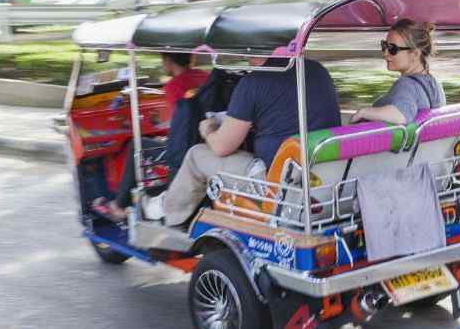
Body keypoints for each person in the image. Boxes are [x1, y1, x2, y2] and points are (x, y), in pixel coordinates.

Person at [112, 57, 341, 225]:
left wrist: (209, 130)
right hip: (325, 174)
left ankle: (165, 210)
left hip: (275, 182)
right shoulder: (317, 69)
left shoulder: (253, 83)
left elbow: (222, 146)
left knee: (196, 154)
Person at [95, 52, 208, 220]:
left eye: (162, 61)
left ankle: (119, 205)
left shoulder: (174, 86)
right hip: (204, 142)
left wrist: (166, 140)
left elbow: (181, 122)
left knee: (136, 144)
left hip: (184, 150)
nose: (163, 65)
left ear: (168, 61)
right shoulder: (203, 76)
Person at [350, 18, 445, 125]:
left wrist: (363, 112)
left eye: (392, 48)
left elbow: (400, 115)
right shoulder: (436, 85)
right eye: (384, 46)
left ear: (415, 54)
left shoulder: (406, 84)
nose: (385, 53)